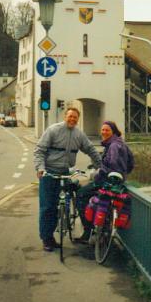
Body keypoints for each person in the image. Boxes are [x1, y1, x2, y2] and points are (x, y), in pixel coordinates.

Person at [34, 107, 102, 252]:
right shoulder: (53, 130)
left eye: (75, 117)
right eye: (70, 116)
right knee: (47, 207)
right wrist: (40, 168)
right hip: (49, 173)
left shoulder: (79, 134)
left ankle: (74, 222)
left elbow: (91, 150)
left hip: (66, 172)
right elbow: (39, 150)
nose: (72, 119)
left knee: (78, 196)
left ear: (78, 119)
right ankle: (47, 239)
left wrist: (101, 167)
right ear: (65, 117)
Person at [76, 120, 134, 243]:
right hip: (119, 181)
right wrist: (123, 174)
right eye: (103, 130)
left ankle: (88, 231)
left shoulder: (113, 146)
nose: (104, 132)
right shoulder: (120, 143)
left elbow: (112, 165)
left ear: (113, 131)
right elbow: (131, 163)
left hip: (108, 182)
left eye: (107, 130)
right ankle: (99, 226)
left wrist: (99, 173)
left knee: (81, 194)